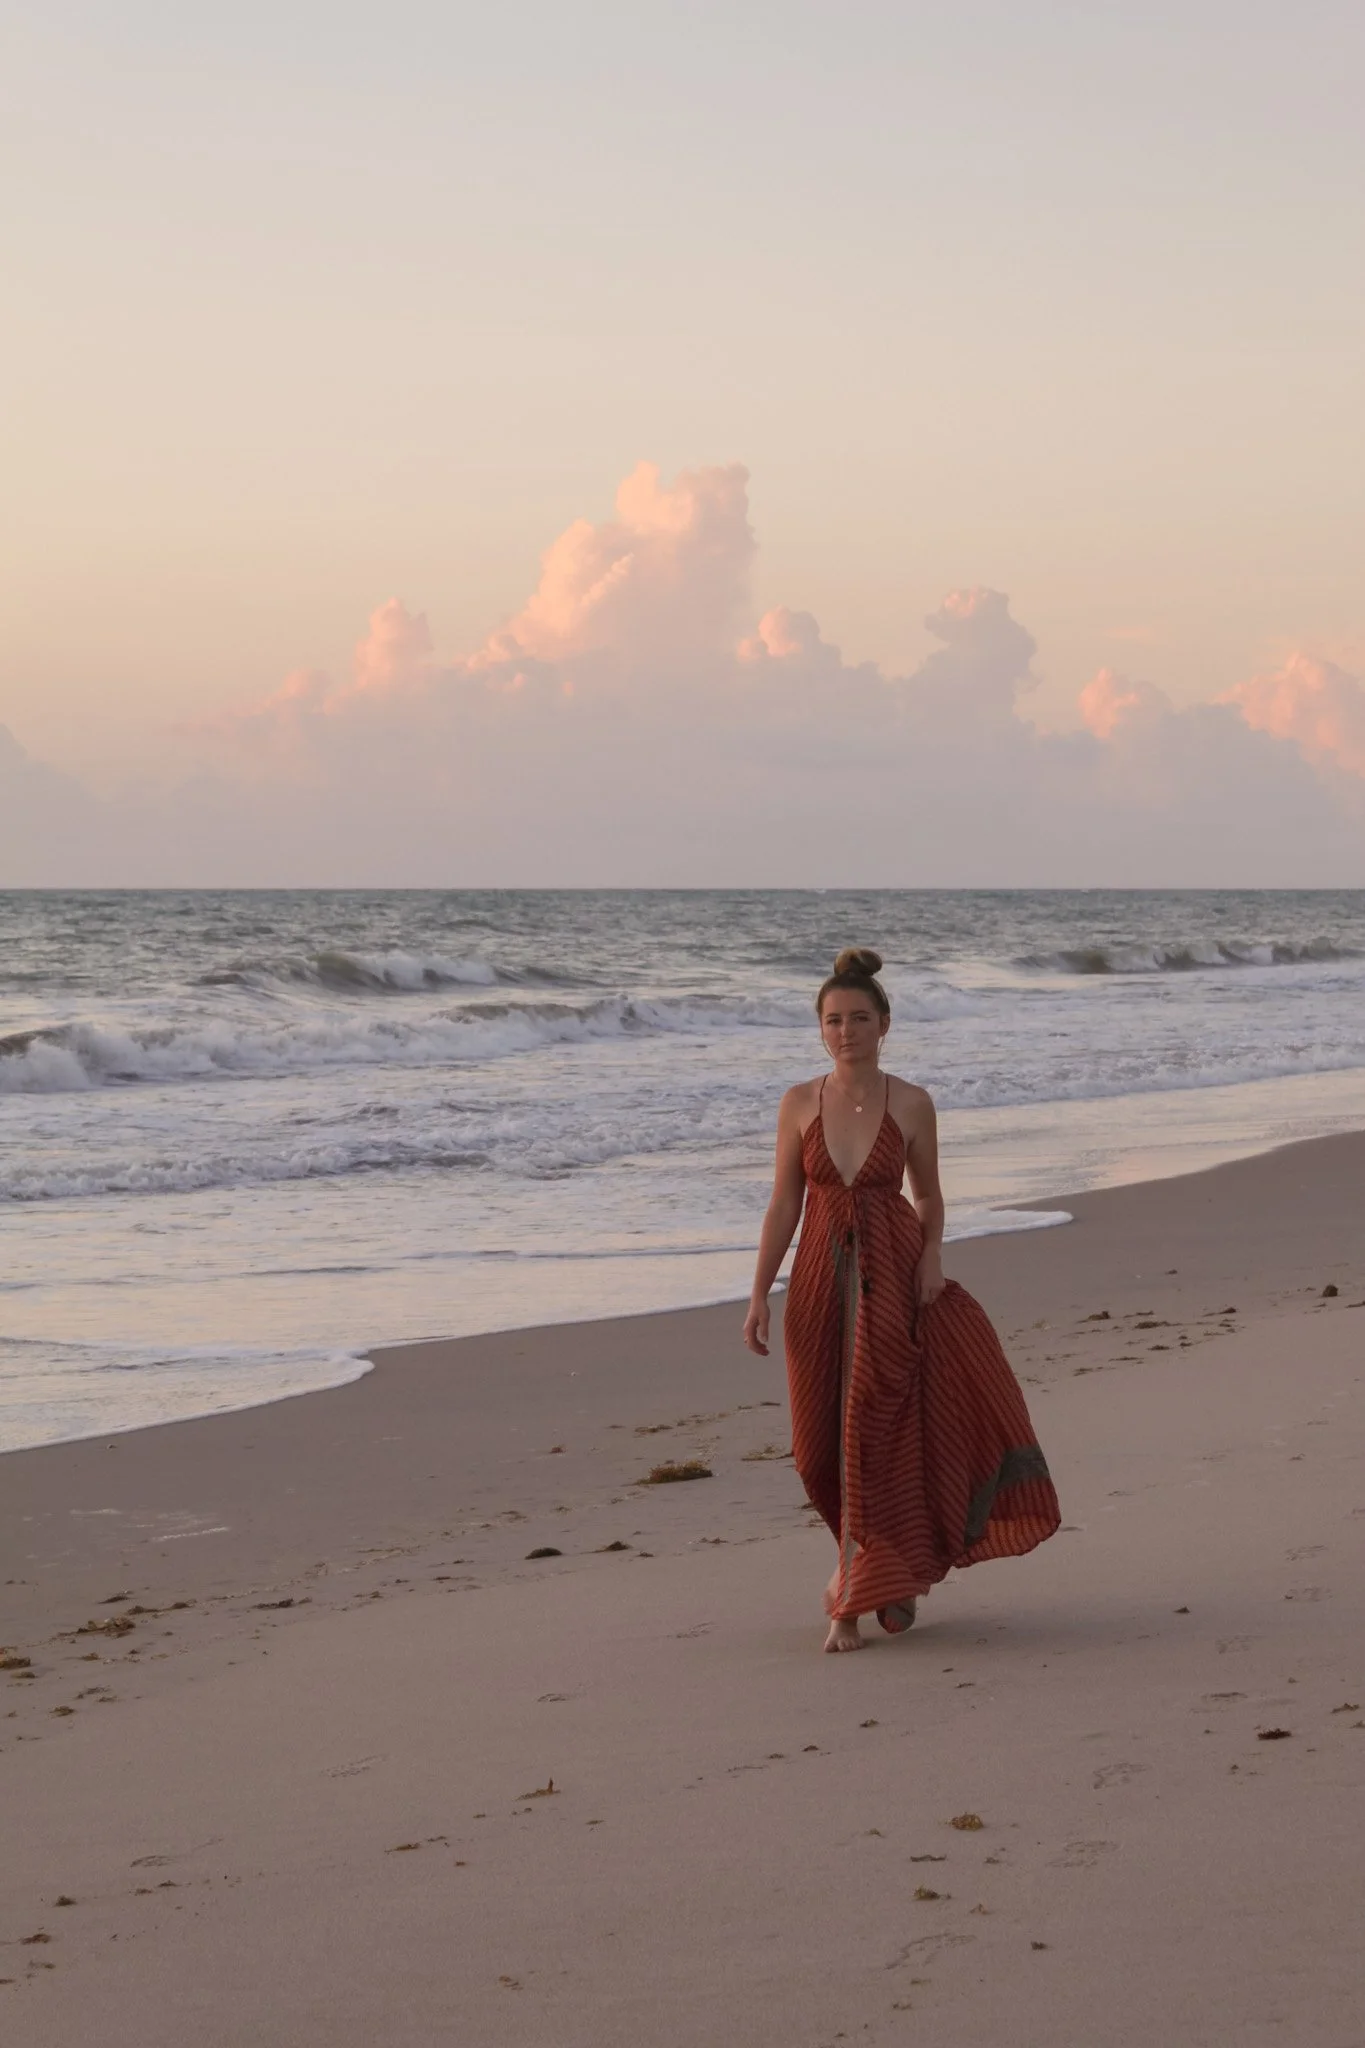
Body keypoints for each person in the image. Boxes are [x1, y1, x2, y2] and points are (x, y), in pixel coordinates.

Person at [743, 947, 1060, 1653]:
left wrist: (933, 1256)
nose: (845, 1030)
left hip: (892, 1276)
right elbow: (782, 1206)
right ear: (818, 1029)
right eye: (832, 1020)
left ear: (884, 1024)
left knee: (871, 1434)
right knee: (815, 1450)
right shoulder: (798, 1103)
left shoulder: (911, 1102)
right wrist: (759, 1293)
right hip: (819, 1284)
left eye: (858, 1018)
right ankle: (891, 1566)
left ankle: (849, 1602)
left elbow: (929, 1195)